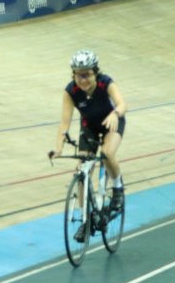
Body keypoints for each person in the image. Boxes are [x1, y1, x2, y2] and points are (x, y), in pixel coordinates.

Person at [50, 49, 127, 240]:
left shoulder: (106, 83)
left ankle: (118, 189)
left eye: (86, 75)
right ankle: (86, 219)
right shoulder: (70, 92)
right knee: (82, 170)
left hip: (112, 123)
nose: (82, 79)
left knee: (107, 153)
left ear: (95, 72)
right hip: (89, 127)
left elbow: (122, 104)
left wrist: (115, 113)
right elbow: (64, 123)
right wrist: (58, 147)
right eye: (78, 75)